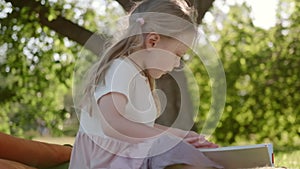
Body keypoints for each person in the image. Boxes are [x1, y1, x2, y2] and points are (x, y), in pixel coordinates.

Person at [69, 0, 223, 168]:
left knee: (184, 152)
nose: (178, 63)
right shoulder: (120, 68)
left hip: (125, 156)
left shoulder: (138, 76)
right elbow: (113, 125)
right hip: (106, 162)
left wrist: (181, 135)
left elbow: (141, 127)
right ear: (153, 42)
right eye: (178, 54)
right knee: (177, 153)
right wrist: (170, 140)